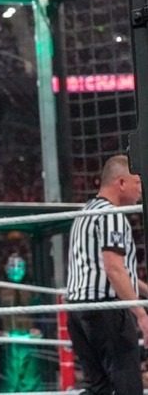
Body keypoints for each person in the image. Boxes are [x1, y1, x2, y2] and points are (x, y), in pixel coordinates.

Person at [66, 154, 148, 394]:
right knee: (128, 386)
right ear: (121, 183)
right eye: (137, 183)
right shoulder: (112, 215)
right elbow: (113, 269)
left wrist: (143, 289)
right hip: (105, 311)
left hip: (78, 313)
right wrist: (141, 315)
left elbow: (108, 267)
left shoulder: (86, 212)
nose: (141, 190)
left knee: (98, 389)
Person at [0, 254, 42, 392]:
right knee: (9, 380)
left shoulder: (32, 291)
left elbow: (42, 314)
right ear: (5, 267)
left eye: (19, 266)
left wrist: (39, 329)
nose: (16, 270)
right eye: (12, 266)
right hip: (8, 341)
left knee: (30, 379)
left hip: (28, 340)